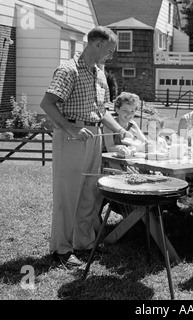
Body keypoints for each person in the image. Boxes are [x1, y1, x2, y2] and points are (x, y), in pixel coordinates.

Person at [40, 26, 134, 268]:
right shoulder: (68, 70)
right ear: (97, 44)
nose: (111, 56)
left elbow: (101, 111)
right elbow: (48, 103)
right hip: (72, 135)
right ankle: (61, 249)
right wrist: (70, 129)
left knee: (89, 194)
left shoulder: (99, 74)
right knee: (68, 195)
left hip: (95, 136)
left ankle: (84, 243)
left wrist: (121, 130)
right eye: (110, 51)